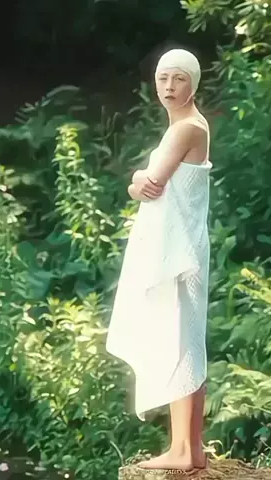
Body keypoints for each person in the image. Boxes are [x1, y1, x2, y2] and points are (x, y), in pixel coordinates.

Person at [106, 48, 211, 474]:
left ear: (193, 84)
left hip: (179, 253)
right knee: (180, 341)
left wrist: (135, 179)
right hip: (180, 248)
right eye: (163, 78)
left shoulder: (186, 128)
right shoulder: (185, 126)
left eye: (179, 79)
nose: (169, 86)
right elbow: (150, 188)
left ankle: (186, 449)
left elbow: (151, 184)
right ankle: (187, 447)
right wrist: (139, 184)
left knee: (182, 343)